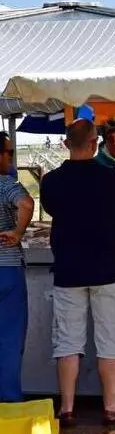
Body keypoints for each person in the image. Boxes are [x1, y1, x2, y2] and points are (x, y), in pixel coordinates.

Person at [40, 120, 115, 425]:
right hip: (107, 268)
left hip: (68, 269)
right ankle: (112, 406)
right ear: (96, 143)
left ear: (66, 144)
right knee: (111, 338)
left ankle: (66, 408)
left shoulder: (51, 181)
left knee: (67, 340)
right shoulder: (112, 177)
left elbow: (52, 209)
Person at [0, 132, 34, 403]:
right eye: (9, 153)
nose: (11, 157)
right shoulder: (5, 184)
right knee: (10, 339)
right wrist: (18, 231)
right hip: (6, 268)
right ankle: (9, 402)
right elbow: (26, 202)